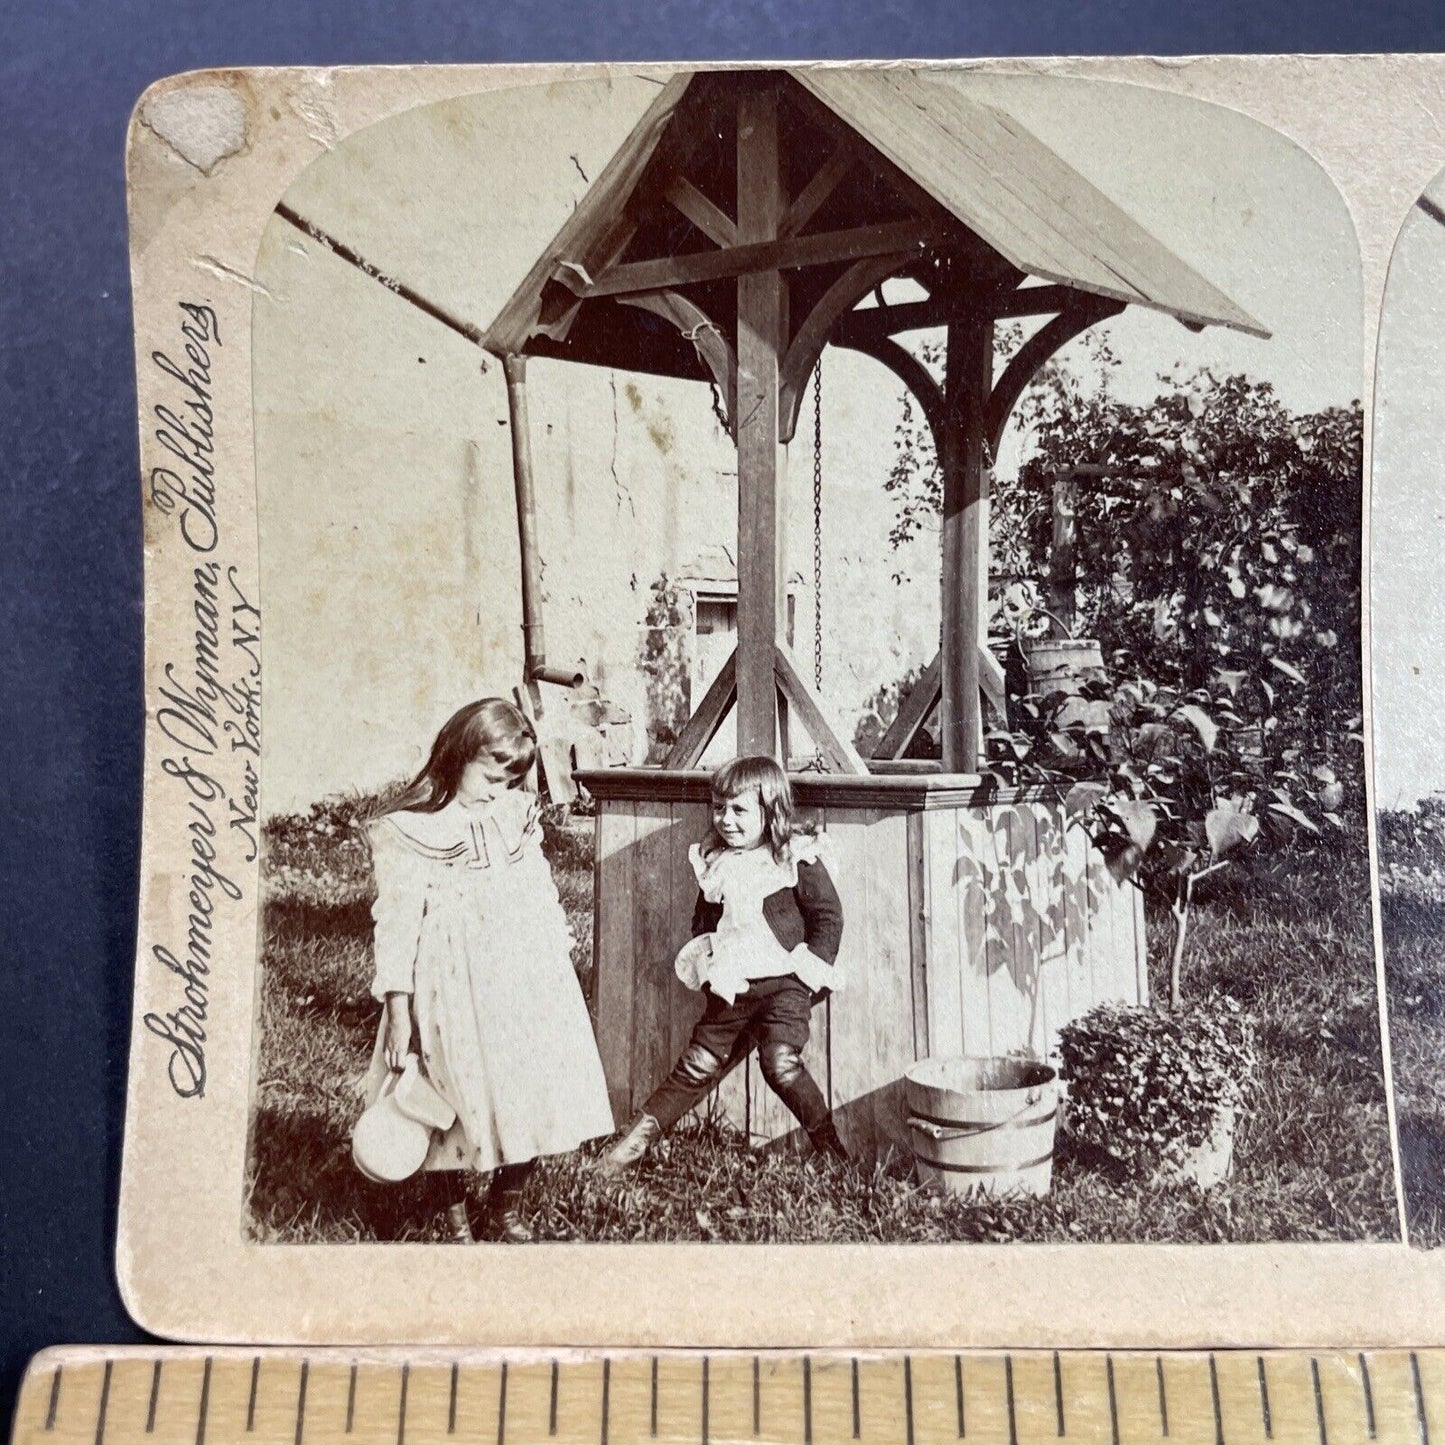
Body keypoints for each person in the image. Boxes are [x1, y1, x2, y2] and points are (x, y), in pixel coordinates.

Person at [357, 697, 614, 1241]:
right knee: (447, 1095)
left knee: (540, 1086)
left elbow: (539, 889)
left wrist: (555, 965)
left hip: (523, 976)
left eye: (510, 780)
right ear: (458, 756)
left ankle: (506, 1207)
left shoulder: (515, 817)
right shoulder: (410, 830)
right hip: (448, 986)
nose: (498, 791)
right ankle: (452, 1218)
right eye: (490, 777)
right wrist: (398, 1008)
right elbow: (396, 923)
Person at [601, 755, 848, 1175]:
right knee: (698, 1064)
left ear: (770, 811)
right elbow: (705, 920)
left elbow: (828, 917)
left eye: (739, 810)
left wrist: (809, 974)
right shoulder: (715, 862)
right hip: (736, 984)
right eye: (719, 808)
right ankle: (625, 1151)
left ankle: (832, 1151)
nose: (726, 820)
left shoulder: (794, 857)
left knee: (780, 1062)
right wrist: (715, 963)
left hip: (785, 982)